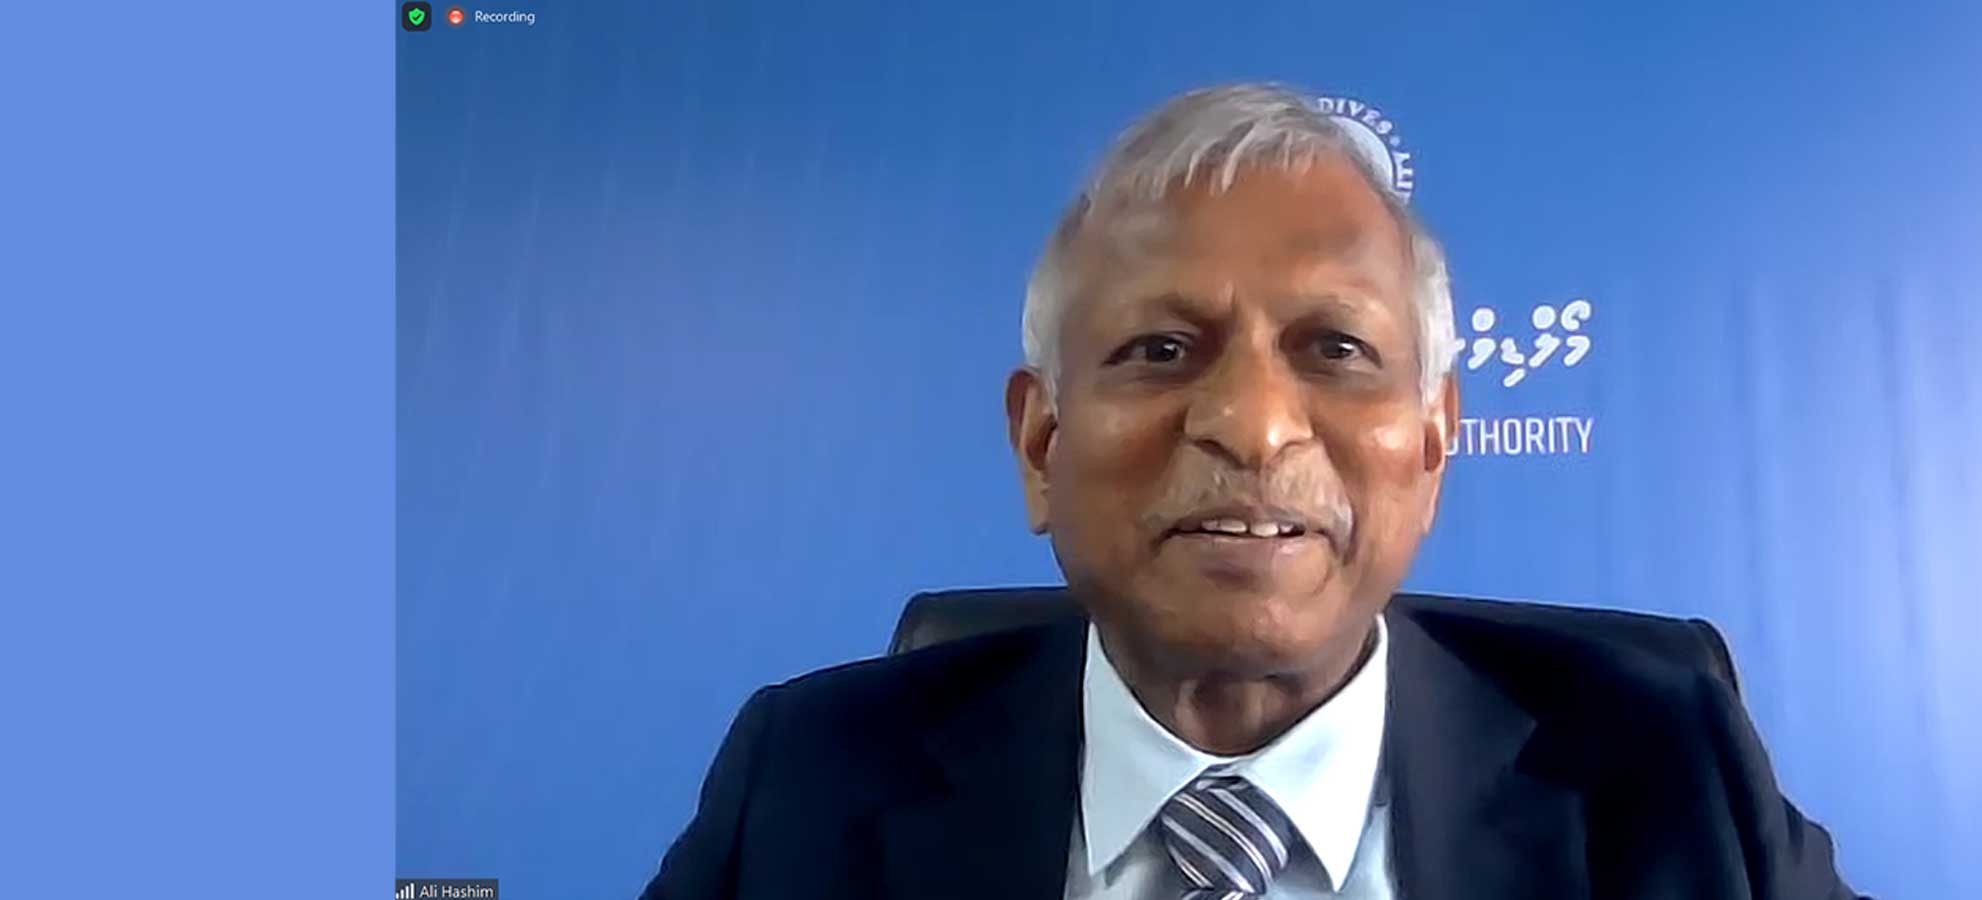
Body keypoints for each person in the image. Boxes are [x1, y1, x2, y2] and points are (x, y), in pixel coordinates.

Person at [639, 83, 1861, 900]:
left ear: (1432, 445)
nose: (1253, 422)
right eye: (1161, 350)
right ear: (1040, 444)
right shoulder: (805, 786)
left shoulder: (1671, 777)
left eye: (1335, 348)